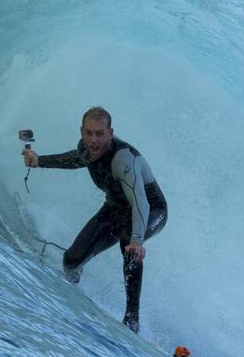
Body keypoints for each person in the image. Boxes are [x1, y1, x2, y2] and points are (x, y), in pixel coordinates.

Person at [21, 107, 167, 334]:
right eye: (89, 133)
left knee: (129, 242)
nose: (94, 140)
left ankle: (132, 319)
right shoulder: (86, 149)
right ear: (82, 132)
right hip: (115, 209)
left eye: (100, 134)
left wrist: (137, 241)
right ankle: (71, 292)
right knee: (71, 260)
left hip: (151, 211)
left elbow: (141, 203)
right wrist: (39, 161)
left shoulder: (123, 159)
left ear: (110, 133)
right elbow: (73, 159)